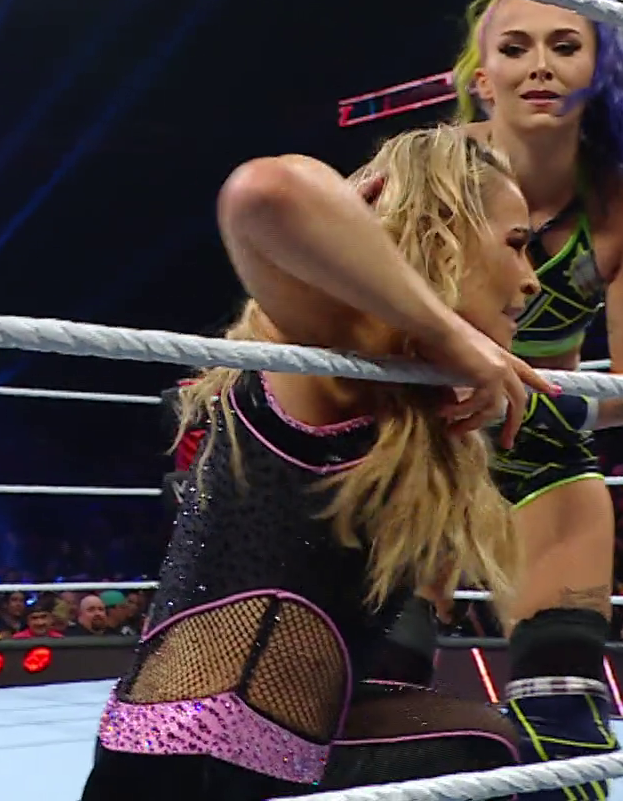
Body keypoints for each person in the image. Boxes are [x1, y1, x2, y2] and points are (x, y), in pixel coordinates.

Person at [81, 127, 549, 801]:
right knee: (490, 748)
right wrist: (450, 332)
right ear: (439, 231)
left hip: (254, 752)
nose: (532, 278)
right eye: (516, 243)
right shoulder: (335, 344)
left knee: (483, 739)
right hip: (191, 766)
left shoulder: (408, 396)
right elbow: (263, 191)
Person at [399, 0, 623, 800]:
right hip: (420, 442)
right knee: (376, 679)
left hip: (545, 445)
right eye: (515, 48)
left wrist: (511, 388)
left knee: (564, 717)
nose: (540, 67)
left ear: (602, 67)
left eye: (565, 45)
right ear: (482, 76)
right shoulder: (425, 171)